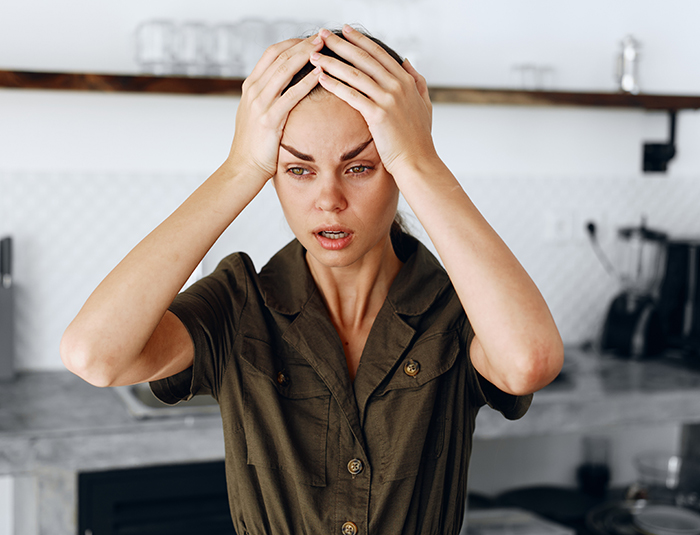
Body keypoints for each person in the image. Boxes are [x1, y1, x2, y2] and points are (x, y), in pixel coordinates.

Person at [61, 25, 564, 535]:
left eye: (361, 167)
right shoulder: (240, 304)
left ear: (395, 167)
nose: (329, 200)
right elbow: (94, 356)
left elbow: (528, 363)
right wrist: (239, 168)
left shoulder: (458, 308)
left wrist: (420, 159)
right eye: (298, 170)